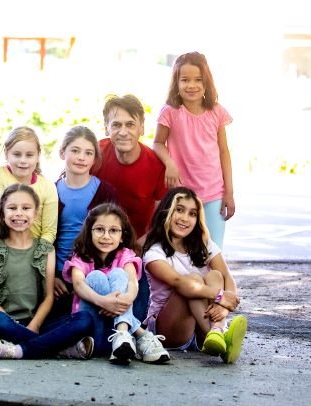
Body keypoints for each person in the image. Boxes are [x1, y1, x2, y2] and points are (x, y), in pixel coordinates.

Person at [0, 184, 94, 360]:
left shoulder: (46, 250)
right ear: (2, 212)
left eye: (26, 208)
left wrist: (34, 325)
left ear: (36, 213)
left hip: (37, 322)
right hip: (4, 323)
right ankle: (59, 349)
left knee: (85, 319)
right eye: (12, 208)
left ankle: (20, 349)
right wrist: (10, 322)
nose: (19, 213)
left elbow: (48, 297)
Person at [142, 187, 247, 364]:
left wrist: (224, 308)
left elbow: (227, 277)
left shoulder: (204, 244)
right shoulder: (154, 252)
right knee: (193, 280)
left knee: (215, 275)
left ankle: (216, 333)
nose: (185, 218)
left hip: (199, 325)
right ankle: (217, 335)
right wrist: (220, 297)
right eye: (179, 210)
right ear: (166, 211)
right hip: (169, 329)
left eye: (192, 214)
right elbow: (179, 283)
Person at [62, 203, 170, 364]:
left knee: (120, 274)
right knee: (96, 277)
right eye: (99, 229)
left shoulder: (125, 255)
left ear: (122, 236)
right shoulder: (82, 257)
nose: (106, 236)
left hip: (117, 337)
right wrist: (103, 301)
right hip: (90, 336)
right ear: (89, 232)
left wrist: (126, 299)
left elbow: (133, 282)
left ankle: (122, 334)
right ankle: (141, 335)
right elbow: (78, 284)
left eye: (113, 230)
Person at [92, 94, 167, 322]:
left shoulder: (155, 165)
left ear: (142, 128)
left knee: (138, 308)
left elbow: (161, 219)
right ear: (106, 127)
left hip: (137, 248)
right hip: (97, 243)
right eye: (116, 125)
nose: (123, 131)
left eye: (130, 124)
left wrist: (138, 247)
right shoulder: (96, 153)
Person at [153, 52, 234, 249]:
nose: (192, 85)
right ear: (176, 83)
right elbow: (157, 143)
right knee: (182, 249)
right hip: (182, 194)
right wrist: (170, 163)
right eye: (185, 80)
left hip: (214, 193)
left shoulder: (216, 111)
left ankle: (216, 281)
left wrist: (229, 193)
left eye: (198, 80)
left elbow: (224, 152)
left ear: (206, 82)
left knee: (213, 250)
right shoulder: (170, 111)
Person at [53, 126, 117, 318]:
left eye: (88, 153)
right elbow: (42, 239)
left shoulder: (106, 192)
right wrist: (51, 278)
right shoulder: (50, 190)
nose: (81, 157)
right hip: (59, 278)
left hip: (95, 272)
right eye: (75, 151)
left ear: (94, 159)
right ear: (62, 153)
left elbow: (115, 236)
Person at [0, 126, 58, 244]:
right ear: (6, 153)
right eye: (17, 154)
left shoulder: (47, 187)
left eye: (29, 155)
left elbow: (49, 232)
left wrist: (35, 255)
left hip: (36, 248)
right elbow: (0, 215)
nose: (23, 160)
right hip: (5, 244)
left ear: (38, 156)